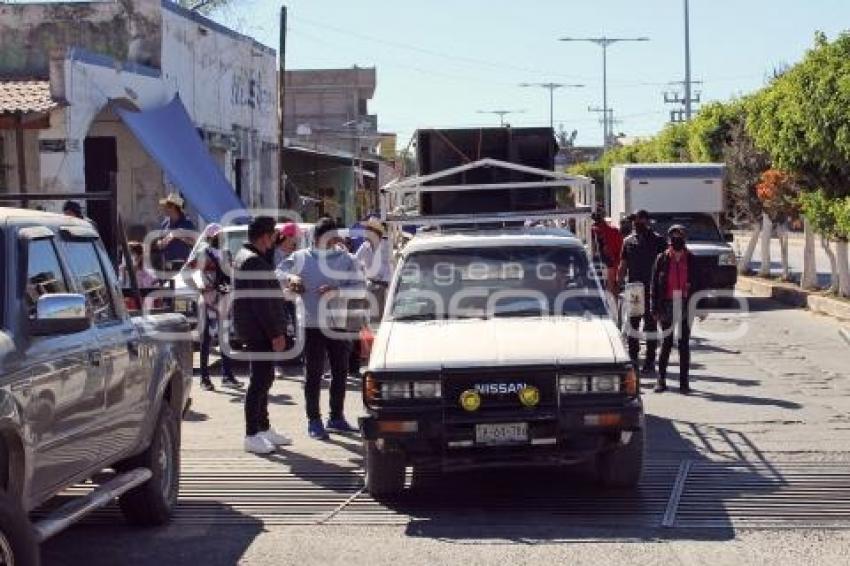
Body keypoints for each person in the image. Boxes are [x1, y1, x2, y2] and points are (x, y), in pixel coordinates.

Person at [276, 218, 366, 440]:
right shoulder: (300, 258)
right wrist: (291, 278)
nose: (333, 241)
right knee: (314, 374)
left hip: (338, 324)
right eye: (328, 238)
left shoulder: (347, 259)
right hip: (311, 323)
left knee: (340, 371)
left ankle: (336, 417)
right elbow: (277, 273)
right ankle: (313, 420)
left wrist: (336, 290)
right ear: (316, 238)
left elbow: (361, 287)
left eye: (334, 237)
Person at [233, 216, 293, 454]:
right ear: (264, 236)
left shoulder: (246, 257)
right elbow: (262, 303)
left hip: (254, 328)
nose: (274, 241)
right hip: (258, 331)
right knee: (259, 381)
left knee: (265, 378)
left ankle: (263, 427)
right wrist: (275, 333)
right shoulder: (253, 262)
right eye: (272, 236)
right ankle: (251, 433)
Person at [650, 225, 703, 394]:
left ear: (685, 238)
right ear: (669, 239)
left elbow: (700, 284)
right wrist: (654, 308)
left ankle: (684, 383)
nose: (676, 239)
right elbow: (654, 285)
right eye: (673, 236)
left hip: (686, 304)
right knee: (666, 343)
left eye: (680, 236)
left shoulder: (692, 259)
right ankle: (661, 380)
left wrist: (701, 307)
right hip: (667, 304)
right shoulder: (662, 258)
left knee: (684, 344)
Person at [618, 209, 667, 374]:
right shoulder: (628, 241)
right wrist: (619, 283)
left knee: (651, 325)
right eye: (633, 221)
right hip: (634, 289)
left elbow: (665, 266)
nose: (634, 223)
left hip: (652, 289)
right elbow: (623, 264)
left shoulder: (659, 241)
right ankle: (633, 359)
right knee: (633, 325)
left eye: (637, 220)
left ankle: (650, 360)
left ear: (646, 221)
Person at [195, 223, 242, 392]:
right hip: (207, 299)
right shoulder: (202, 253)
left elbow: (231, 276)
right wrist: (200, 287)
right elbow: (194, 273)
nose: (220, 238)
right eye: (217, 236)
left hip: (223, 298)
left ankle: (227, 375)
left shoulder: (226, 253)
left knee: (224, 339)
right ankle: (204, 378)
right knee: (206, 339)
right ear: (210, 237)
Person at [355, 217, 392, 321]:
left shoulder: (387, 245)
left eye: (368, 229)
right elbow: (355, 260)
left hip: (384, 285)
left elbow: (392, 265)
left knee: (379, 316)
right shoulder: (365, 246)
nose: (365, 232)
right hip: (371, 284)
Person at [154, 193, 196, 271]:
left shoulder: (187, 223)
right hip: (166, 265)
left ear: (172, 207)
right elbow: (159, 243)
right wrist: (162, 242)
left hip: (182, 265)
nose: (164, 208)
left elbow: (195, 243)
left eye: (166, 206)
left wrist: (181, 237)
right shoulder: (165, 223)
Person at [591, 212, 625, 298]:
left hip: (607, 265)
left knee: (608, 292)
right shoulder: (613, 231)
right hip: (608, 265)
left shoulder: (594, 231)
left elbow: (620, 253)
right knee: (609, 293)